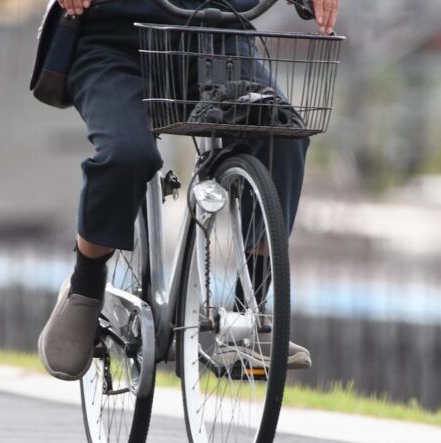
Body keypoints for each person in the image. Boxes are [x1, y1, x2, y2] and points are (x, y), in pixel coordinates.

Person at [36, 0, 339, 381]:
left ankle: (249, 317)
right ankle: (85, 285)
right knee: (127, 155)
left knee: (281, 137)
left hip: (218, 35)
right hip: (114, 40)